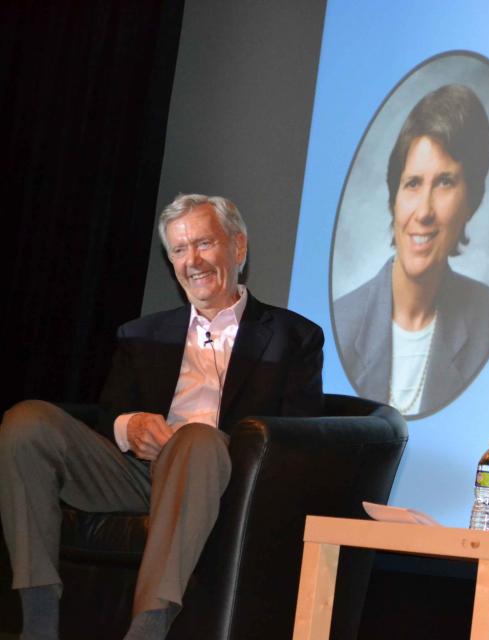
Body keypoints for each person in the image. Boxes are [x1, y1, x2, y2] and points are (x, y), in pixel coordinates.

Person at [0, 194, 325, 640]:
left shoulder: (294, 337)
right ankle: (37, 619)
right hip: (136, 474)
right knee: (25, 422)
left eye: (205, 243)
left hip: (220, 480)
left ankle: (148, 628)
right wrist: (128, 427)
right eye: (179, 249)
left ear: (239, 247)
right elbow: (108, 415)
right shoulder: (143, 334)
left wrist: (199, 439)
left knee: (197, 439)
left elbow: (299, 434)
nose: (193, 261)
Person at [334, 84, 489, 417]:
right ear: (393, 197)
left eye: (445, 182)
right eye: (413, 183)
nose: (424, 211)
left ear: (472, 200)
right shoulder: (341, 325)